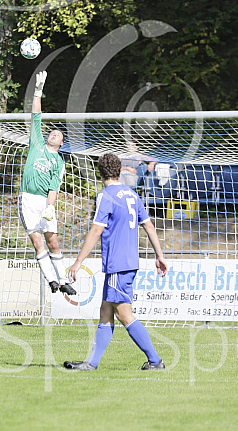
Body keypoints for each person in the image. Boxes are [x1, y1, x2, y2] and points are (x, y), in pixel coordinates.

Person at [63, 153, 168, 371]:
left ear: (99, 172)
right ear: (119, 170)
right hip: (128, 261)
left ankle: (155, 360)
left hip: (118, 263)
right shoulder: (131, 194)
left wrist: (78, 262)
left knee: (123, 314)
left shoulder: (106, 195)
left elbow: (96, 230)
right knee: (106, 310)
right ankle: (91, 363)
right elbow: (148, 225)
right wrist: (160, 255)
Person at [18, 70, 76, 296]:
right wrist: (37, 91)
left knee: (53, 243)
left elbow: (54, 187)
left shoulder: (58, 161)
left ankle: (63, 279)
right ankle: (51, 280)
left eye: (57, 134)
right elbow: (36, 115)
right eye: (51, 132)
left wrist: (51, 207)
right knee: (37, 242)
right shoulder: (37, 145)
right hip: (27, 200)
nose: (53, 134)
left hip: (44, 202)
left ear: (61, 143)